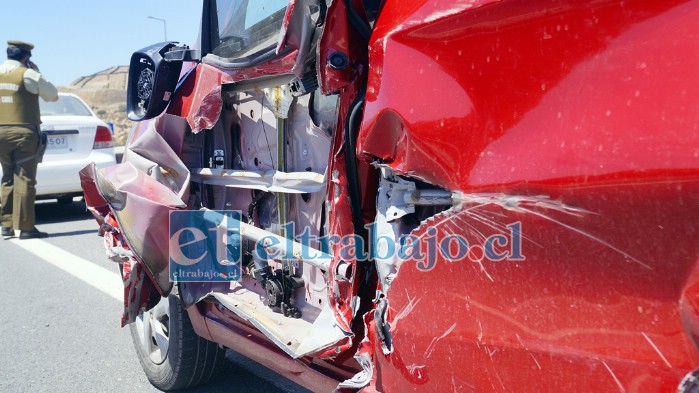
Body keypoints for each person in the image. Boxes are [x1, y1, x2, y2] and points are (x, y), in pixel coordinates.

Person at [0, 40, 58, 239]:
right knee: (25, 179)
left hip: (0, 133)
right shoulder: (27, 74)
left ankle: (6, 224)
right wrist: (37, 72)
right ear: (26, 58)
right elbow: (53, 96)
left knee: (7, 177)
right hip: (23, 134)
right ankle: (25, 228)